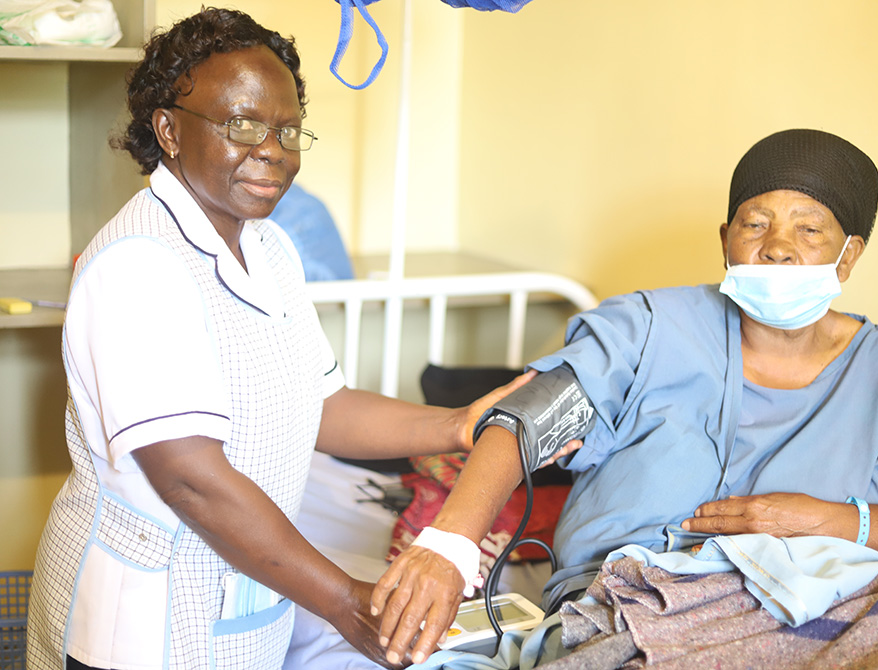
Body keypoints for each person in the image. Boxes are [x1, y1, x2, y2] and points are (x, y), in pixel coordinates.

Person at [24, 9, 566, 670]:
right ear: (167, 129)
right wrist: (343, 600)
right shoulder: (141, 263)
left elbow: (325, 405)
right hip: (142, 627)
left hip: (244, 607)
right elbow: (193, 480)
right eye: (242, 125)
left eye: (287, 130)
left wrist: (460, 424)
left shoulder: (270, 248)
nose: (272, 150)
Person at [370, 128, 878, 666]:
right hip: (638, 607)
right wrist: (448, 545)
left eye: (810, 229)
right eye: (756, 222)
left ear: (847, 257)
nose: (777, 245)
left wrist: (830, 522)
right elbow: (529, 415)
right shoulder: (648, 330)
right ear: (726, 238)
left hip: (827, 609)